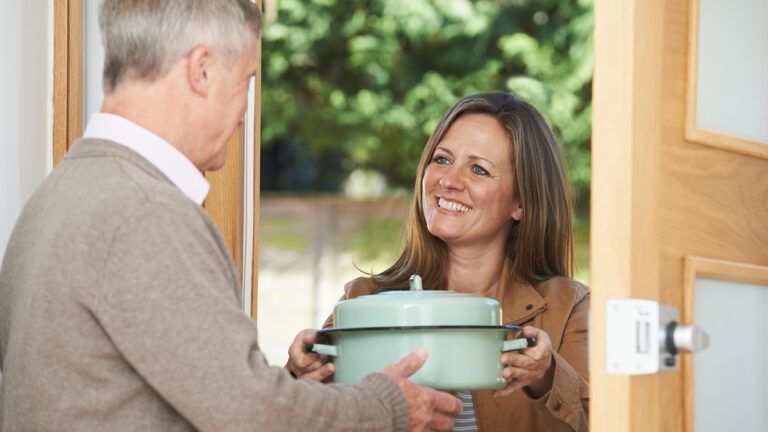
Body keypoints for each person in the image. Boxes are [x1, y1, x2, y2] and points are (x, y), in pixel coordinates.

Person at [0, 1, 461, 431]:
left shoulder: (61, 193)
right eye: (246, 80)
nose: (244, 112)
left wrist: (293, 389)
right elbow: (249, 415)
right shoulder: (145, 213)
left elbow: (198, 394)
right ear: (202, 70)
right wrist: (387, 406)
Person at [287, 92, 589, 431]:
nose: (448, 181)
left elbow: (608, 421)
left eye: (478, 169)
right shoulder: (362, 301)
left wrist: (547, 375)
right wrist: (301, 376)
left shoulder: (569, 309)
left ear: (521, 202)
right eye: (442, 160)